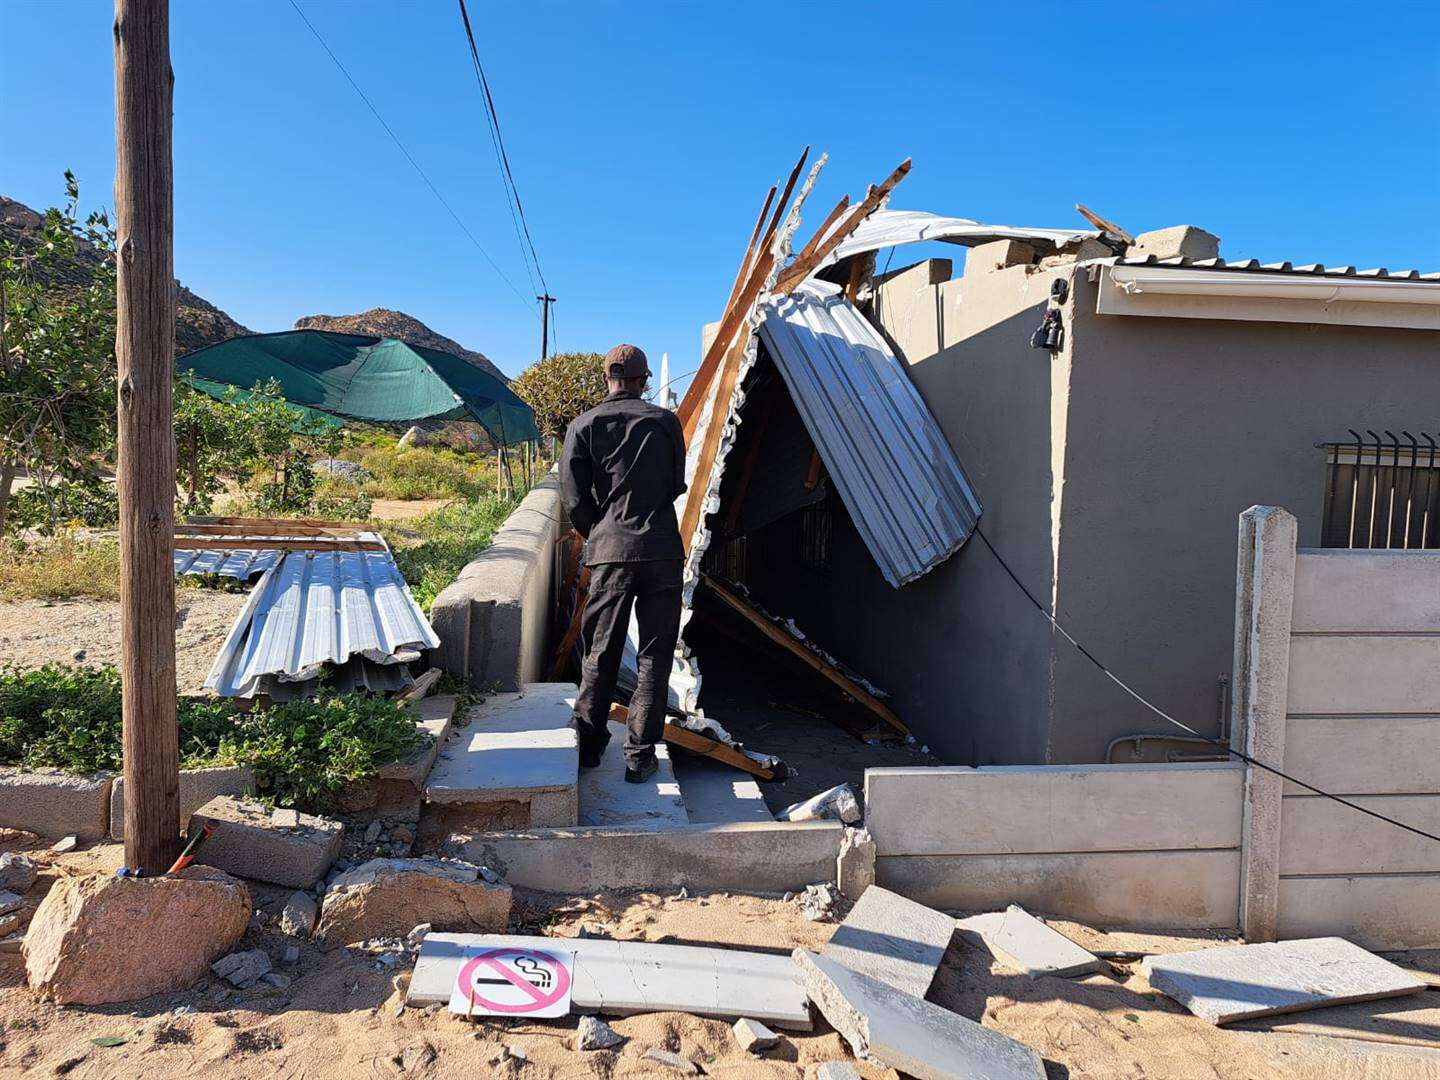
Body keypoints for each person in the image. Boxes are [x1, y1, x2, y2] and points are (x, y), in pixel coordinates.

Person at [560, 344, 687, 783]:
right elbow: (674, 486)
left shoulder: (582, 425)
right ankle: (639, 758)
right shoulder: (666, 422)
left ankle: (590, 751)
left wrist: (602, 531)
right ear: (644, 380)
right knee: (654, 656)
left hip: (611, 552)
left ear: (606, 379)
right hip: (663, 552)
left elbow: (574, 500)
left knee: (601, 653)